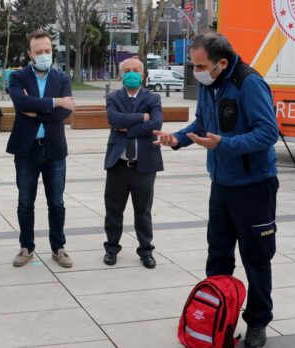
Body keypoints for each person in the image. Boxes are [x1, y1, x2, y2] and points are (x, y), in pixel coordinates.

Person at [154, 33, 279, 348]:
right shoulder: (210, 83)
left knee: (256, 258)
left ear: (222, 63)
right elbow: (200, 123)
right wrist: (177, 138)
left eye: (201, 65)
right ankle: (219, 314)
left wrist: (225, 144)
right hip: (221, 185)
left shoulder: (249, 83)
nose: (196, 71)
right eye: (193, 65)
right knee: (218, 255)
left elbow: (268, 132)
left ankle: (258, 321)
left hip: (254, 187)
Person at [7, 30, 76, 268]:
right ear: (30, 53)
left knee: (56, 202)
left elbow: (67, 112)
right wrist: (55, 102)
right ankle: (26, 247)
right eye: (39, 52)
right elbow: (21, 103)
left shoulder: (62, 79)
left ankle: (59, 248)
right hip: (26, 150)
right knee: (25, 202)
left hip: (54, 150)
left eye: (47, 51)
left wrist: (36, 111)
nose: (44, 55)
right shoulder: (17, 77)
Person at [103, 58, 164, 269]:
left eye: (135, 70)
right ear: (120, 75)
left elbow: (156, 124)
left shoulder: (153, 97)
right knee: (113, 210)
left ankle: (146, 251)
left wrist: (128, 129)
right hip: (118, 165)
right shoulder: (113, 97)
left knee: (143, 211)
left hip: (144, 166)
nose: (131, 74)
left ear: (143, 74)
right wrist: (142, 117)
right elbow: (114, 120)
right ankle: (111, 248)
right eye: (127, 71)